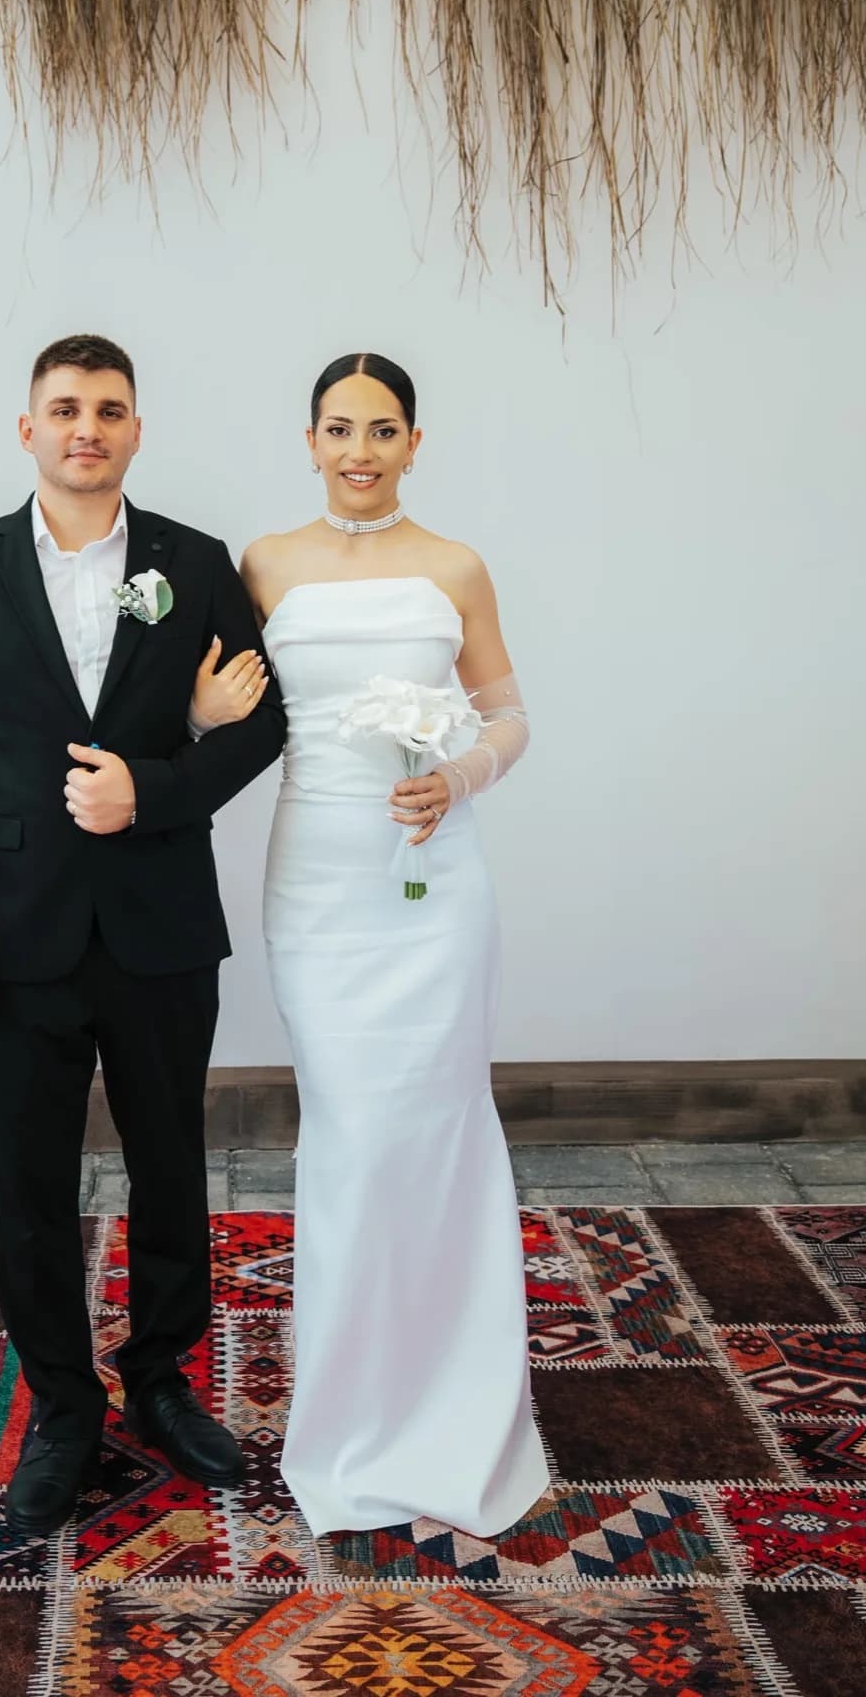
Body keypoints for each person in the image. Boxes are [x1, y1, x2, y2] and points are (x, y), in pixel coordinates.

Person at [0, 333, 285, 1535]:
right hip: (14, 934)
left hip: (161, 921)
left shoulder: (195, 562)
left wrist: (150, 790)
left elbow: (262, 723)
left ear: (134, 429)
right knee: (30, 1186)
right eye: (63, 408)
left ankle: (161, 1383)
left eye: (108, 408)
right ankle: (63, 1408)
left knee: (172, 1164)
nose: (86, 427)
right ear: (27, 430)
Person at [193, 350, 550, 1538]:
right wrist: (197, 717)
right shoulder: (264, 563)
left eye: (381, 429)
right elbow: (221, 711)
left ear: (411, 442)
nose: (358, 450)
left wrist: (453, 776)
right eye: (338, 428)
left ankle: (460, 1411)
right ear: (307, 440)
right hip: (320, 879)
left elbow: (508, 715)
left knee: (437, 1126)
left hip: (434, 882)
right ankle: (350, 1421)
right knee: (350, 1131)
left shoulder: (454, 565)